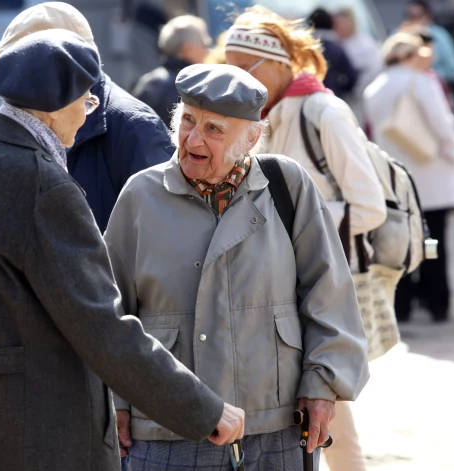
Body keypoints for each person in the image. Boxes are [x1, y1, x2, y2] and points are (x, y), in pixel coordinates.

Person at [0, 30, 245, 471]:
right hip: (39, 432)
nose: (87, 114)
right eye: (87, 102)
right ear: (56, 107)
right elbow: (101, 325)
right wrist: (203, 409)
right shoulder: (40, 183)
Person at [105, 63, 369, 470]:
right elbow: (110, 312)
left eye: (214, 129)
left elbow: (328, 290)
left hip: (276, 423)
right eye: (188, 121)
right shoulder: (141, 195)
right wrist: (117, 401)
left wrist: (323, 384)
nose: (193, 138)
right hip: (169, 423)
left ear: (250, 138)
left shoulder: (288, 185)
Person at [225, 7, 386, 471]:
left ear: (275, 64)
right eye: (226, 66)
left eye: (241, 68)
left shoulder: (323, 111)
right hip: (271, 286)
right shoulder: (260, 116)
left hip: (322, 281)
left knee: (327, 401)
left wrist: (297, 229)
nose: (234, 79)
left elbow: (369, 206)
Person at [0, 2, 173, 233]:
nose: (14, 84)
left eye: (26, 65)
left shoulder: (135, 126)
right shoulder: (20, 117)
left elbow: (161, 236)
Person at [364, 33, 454, 323]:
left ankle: (403, 304)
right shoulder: (420, 81)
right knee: (434, 240)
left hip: (394, 176)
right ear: (410, 55)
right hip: (430, 172)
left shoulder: (376, 87)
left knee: (400, 242)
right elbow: (443, 125)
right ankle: (437, 302)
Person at [133, 15, 212, 126]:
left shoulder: (147, 82)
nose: (208, 51)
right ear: (187, 47)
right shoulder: (193, 87)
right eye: (205, 44)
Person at [333, 7, 383, 123]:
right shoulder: (335, 44)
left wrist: (356, 89)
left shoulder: (366, 45)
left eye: (339, 24)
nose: (337, 28)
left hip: (360, 99)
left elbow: (374, 71)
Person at [403, 0, 454, 85]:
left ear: (427, 17)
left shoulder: (439, 36)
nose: (413, 20)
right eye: (410, 16)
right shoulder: (400, 36)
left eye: (417, 16)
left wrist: (428, 76)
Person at [307, 8, 358, 99]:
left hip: (308, 98)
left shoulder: (305, 49)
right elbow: (351, 77)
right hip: (333, 97)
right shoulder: (337, 48)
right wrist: (341, 89)